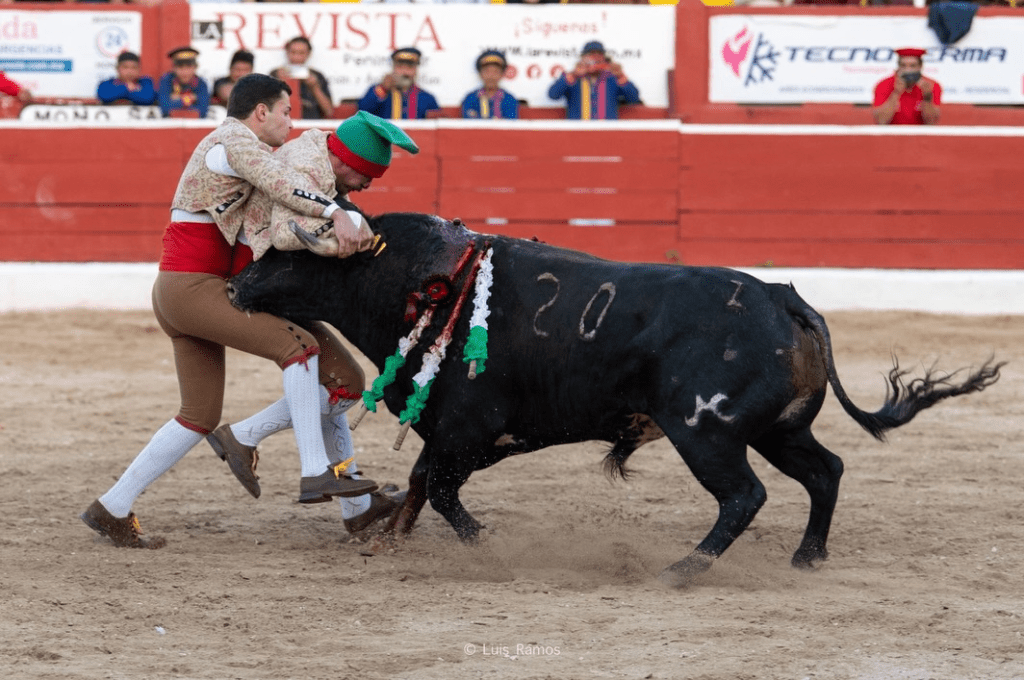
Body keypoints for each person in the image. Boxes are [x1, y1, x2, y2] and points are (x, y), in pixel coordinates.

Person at [80, 73, 380, 550]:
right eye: (285, 111)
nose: (290, 122)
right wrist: (337, 212)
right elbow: (279, 182)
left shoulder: (233, 149)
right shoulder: (232, 141)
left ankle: (112, 507)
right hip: (195, 288)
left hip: (181, 292)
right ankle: (313, 472)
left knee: (197, 415)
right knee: (299, 349)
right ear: (260, 111)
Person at [210, 110, 420, 534]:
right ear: (345, 163)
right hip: (262, 283)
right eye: (365, 176)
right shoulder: (307, 165)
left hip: (278, 282)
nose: (367, 185)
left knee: (338, 383)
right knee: (345, 387)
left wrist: (347, 215)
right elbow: (287, 234)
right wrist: (341, 224)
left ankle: (357, 506)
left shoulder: (321, 152)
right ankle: (245, 435)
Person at [547, 40, 641, 120]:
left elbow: (634, 98)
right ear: (583, 58)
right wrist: (573, 75)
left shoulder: (612, 78)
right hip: (577, 134)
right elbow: (553, 95)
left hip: (607, 133)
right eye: (591, 55)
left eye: (599, 55)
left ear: (604, 58)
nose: (595, 59)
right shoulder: (572, 77)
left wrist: (620, 76)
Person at [358, 47, 439, 120]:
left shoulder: (427, 98)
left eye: (409, 67)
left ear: (416, 71)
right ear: (393, 69)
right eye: (400, 67)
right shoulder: (378, 91)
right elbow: (362, 113)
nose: (404, 72)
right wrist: (383, 88)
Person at [872, 47, 941, 126]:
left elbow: (931, 122)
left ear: (920, 66)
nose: (908, 70)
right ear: (898, 66)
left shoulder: (931, 85)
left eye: (912, 66)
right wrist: (896, 93)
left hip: (920, 135)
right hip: (892, 134)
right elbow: (881, 121)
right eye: (903, 65)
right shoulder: (884, 85)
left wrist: (927, 97)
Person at [270, 36, 332, 119]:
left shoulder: (317, 76)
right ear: (287, 52)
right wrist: (280, 83)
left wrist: (315, 87)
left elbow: (329, 111)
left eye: (301, 53)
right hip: (281, 122)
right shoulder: (276, 74)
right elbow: (266, 108)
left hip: (310, 123)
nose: (296, 57)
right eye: (293, 52)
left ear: (309, 54)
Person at [461, 50, 519, 119]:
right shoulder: (471, 98)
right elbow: (469, 121)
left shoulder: (509, 99)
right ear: (480, 74)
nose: (491, 76)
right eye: (486, 71)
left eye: (495, 72)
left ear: (502, 74)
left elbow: (511, 124)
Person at [157, 46, 210, 119]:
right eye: (180, 67)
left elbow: (202, 111)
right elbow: (165, 108)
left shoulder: (201, 83)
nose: (185, 72)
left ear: (195, 67)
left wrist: (178, 100)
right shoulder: (166, 81)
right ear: (173, 68)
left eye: (189, 67)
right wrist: (191, 98)